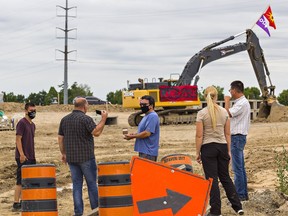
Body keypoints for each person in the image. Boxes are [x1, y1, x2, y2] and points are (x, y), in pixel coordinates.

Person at [195, 86, 244, 216]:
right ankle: (238, 206)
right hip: (222, 146)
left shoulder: (202, 113)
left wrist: (197, 153)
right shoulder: (224, 112)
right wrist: (228, 151)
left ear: (205, 96)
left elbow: (199, 136)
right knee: (225, 177)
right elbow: (227, 134)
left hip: (208, 147)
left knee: (212, 180)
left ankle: (216, 211)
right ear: (216, 96)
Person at [58, 97, 108, 216]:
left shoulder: (64, 120)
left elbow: (60, 138)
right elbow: (96, 132)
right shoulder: (85, 119)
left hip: (71, 158)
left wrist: (63, 153)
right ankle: (95, 210)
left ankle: (78, 212)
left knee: (77, 185)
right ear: (84, 106)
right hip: (86, 157)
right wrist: (104, 119)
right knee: (91, 184)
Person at [224, 80, 250, 202]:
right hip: (239, 137)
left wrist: (227, 101)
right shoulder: (242, 102)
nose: (230, 92)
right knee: (240, 167)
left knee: (237, 168)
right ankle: (243, 194)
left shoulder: (241, 103)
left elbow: (227, 113)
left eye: (230, 90)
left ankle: (240, 195)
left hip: (237, 137)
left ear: (234, 90)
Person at [13, 102, 37, 212]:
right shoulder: (22, 123)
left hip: (31, 156)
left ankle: (24, 201)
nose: (33, 112)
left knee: (28, 181)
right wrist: (21, 154)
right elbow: (18, 139)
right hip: (22, 157)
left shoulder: (33, 125)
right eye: (31, 110)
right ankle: (16, 203)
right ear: (26, 111)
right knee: (20, 181)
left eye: (34, 110)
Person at [124, 95, 160, 162]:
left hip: (148, 152)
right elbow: (143, 131)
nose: (142, 106)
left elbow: (147, 133)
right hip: (144, 151)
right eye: (141, 104)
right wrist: (134, 134)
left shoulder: (153, 116)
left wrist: (133, 136)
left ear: (151, 106)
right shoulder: (146, 116)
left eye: (144, 104)